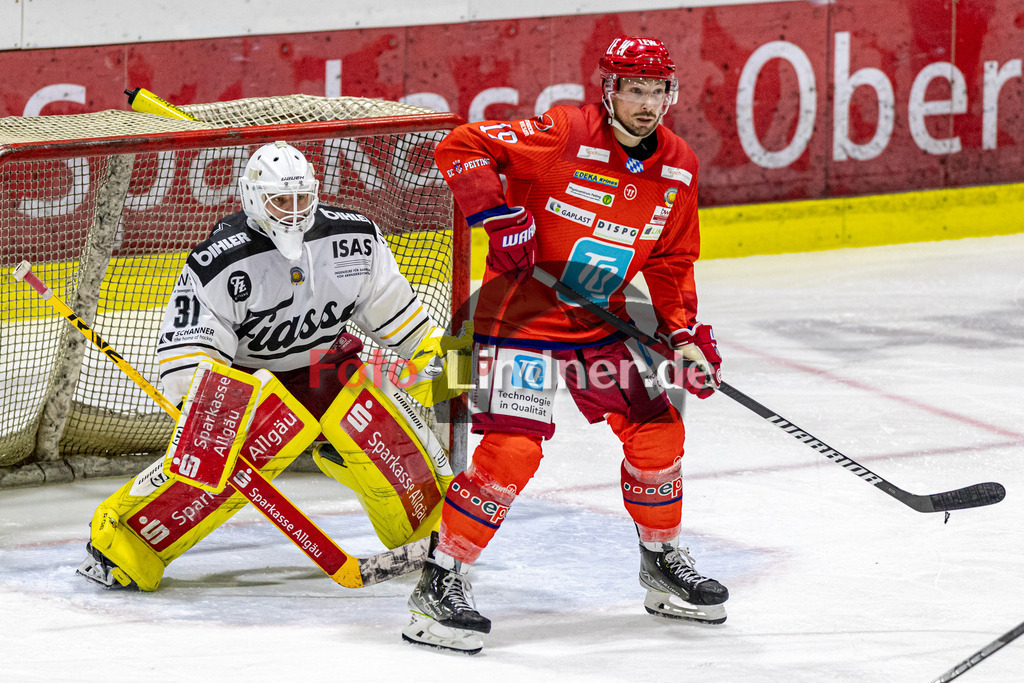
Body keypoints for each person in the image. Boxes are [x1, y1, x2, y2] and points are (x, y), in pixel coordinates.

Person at [401, 36, 727, 654]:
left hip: (599, 323)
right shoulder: (562, 132)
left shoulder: (677, 164)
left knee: (659, 432)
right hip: (516, 319)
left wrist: (682, 337)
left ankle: (660, 563)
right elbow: (461, 145)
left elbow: (674, 260)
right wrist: (497, 217)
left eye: (658, 89)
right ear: (609, 91)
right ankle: (439, 584)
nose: (647, 102)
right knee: (513, 451)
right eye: (634, 88)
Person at [77, 141, 467, 590]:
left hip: (328, 371)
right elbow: (191, 349)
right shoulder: (220, 260)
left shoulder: (354, 239)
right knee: (216, 457)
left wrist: (447, 358)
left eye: (302, 199)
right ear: (252, 198)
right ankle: (123, 540)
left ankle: (431, 531)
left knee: (381, 415)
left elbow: (401, 320)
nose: (293, 211)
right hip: (255, 388)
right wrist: (201, 410)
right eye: (281, 200)